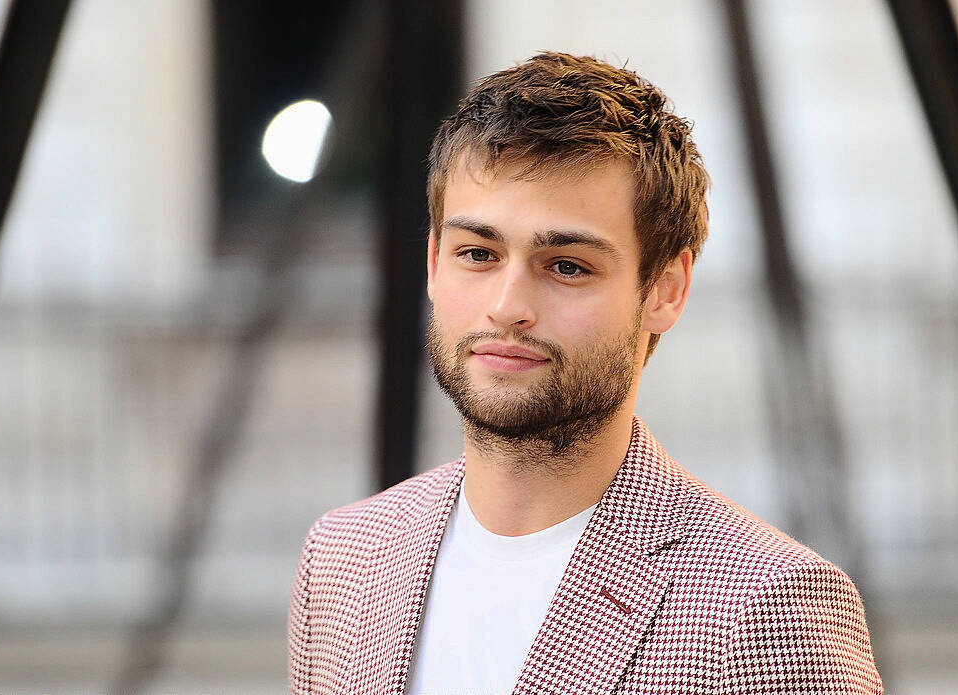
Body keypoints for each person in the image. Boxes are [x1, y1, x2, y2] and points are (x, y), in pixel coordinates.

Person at [288, 52, 882, 695]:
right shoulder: (342, 561)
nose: (508, 306)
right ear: (433, 264)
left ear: (666, 289)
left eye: (567, 265)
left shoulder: (771, 610)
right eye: (478, 254)